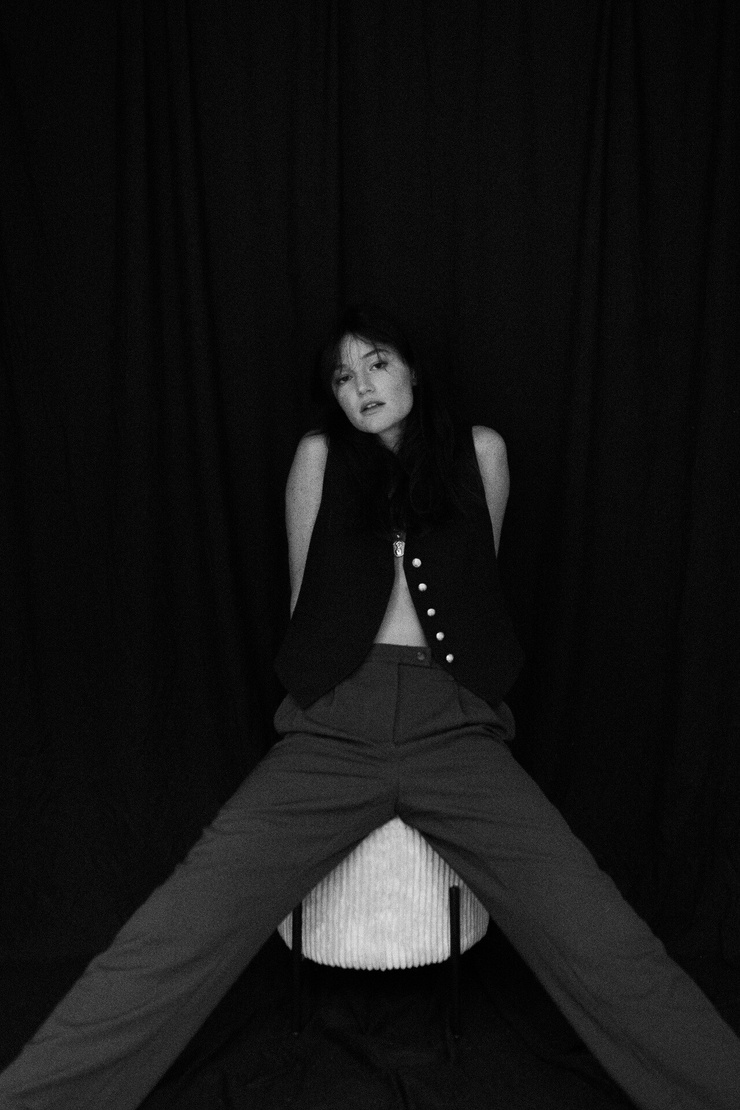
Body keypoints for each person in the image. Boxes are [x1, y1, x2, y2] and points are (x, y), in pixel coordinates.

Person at [1, 304, 739, 1110]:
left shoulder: (480, 452)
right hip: (334, 726)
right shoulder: (318, 458)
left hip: (453, 724)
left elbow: (476, 592)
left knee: (596, 930)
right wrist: (322, 698)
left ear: (413, 369)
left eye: (378, 362)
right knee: (182, 922)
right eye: (343, 376)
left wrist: (465, 691)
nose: (362, 386)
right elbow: (302, 603)